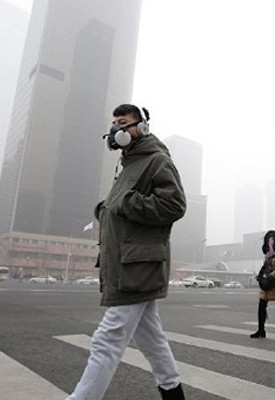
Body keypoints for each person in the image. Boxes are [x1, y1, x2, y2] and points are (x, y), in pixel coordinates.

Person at [67, 104, 187, 400]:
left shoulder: (156, 160)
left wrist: (123, 205)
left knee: (106, 341)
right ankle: (173, 392)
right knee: (151, 338)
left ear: (142, 127)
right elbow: (125, 203)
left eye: (123, 123)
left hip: (138, 265)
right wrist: (106, 210)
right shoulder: (128, 164)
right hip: (128, 262)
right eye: (114, 124)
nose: (116, 130)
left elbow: (175, 205)